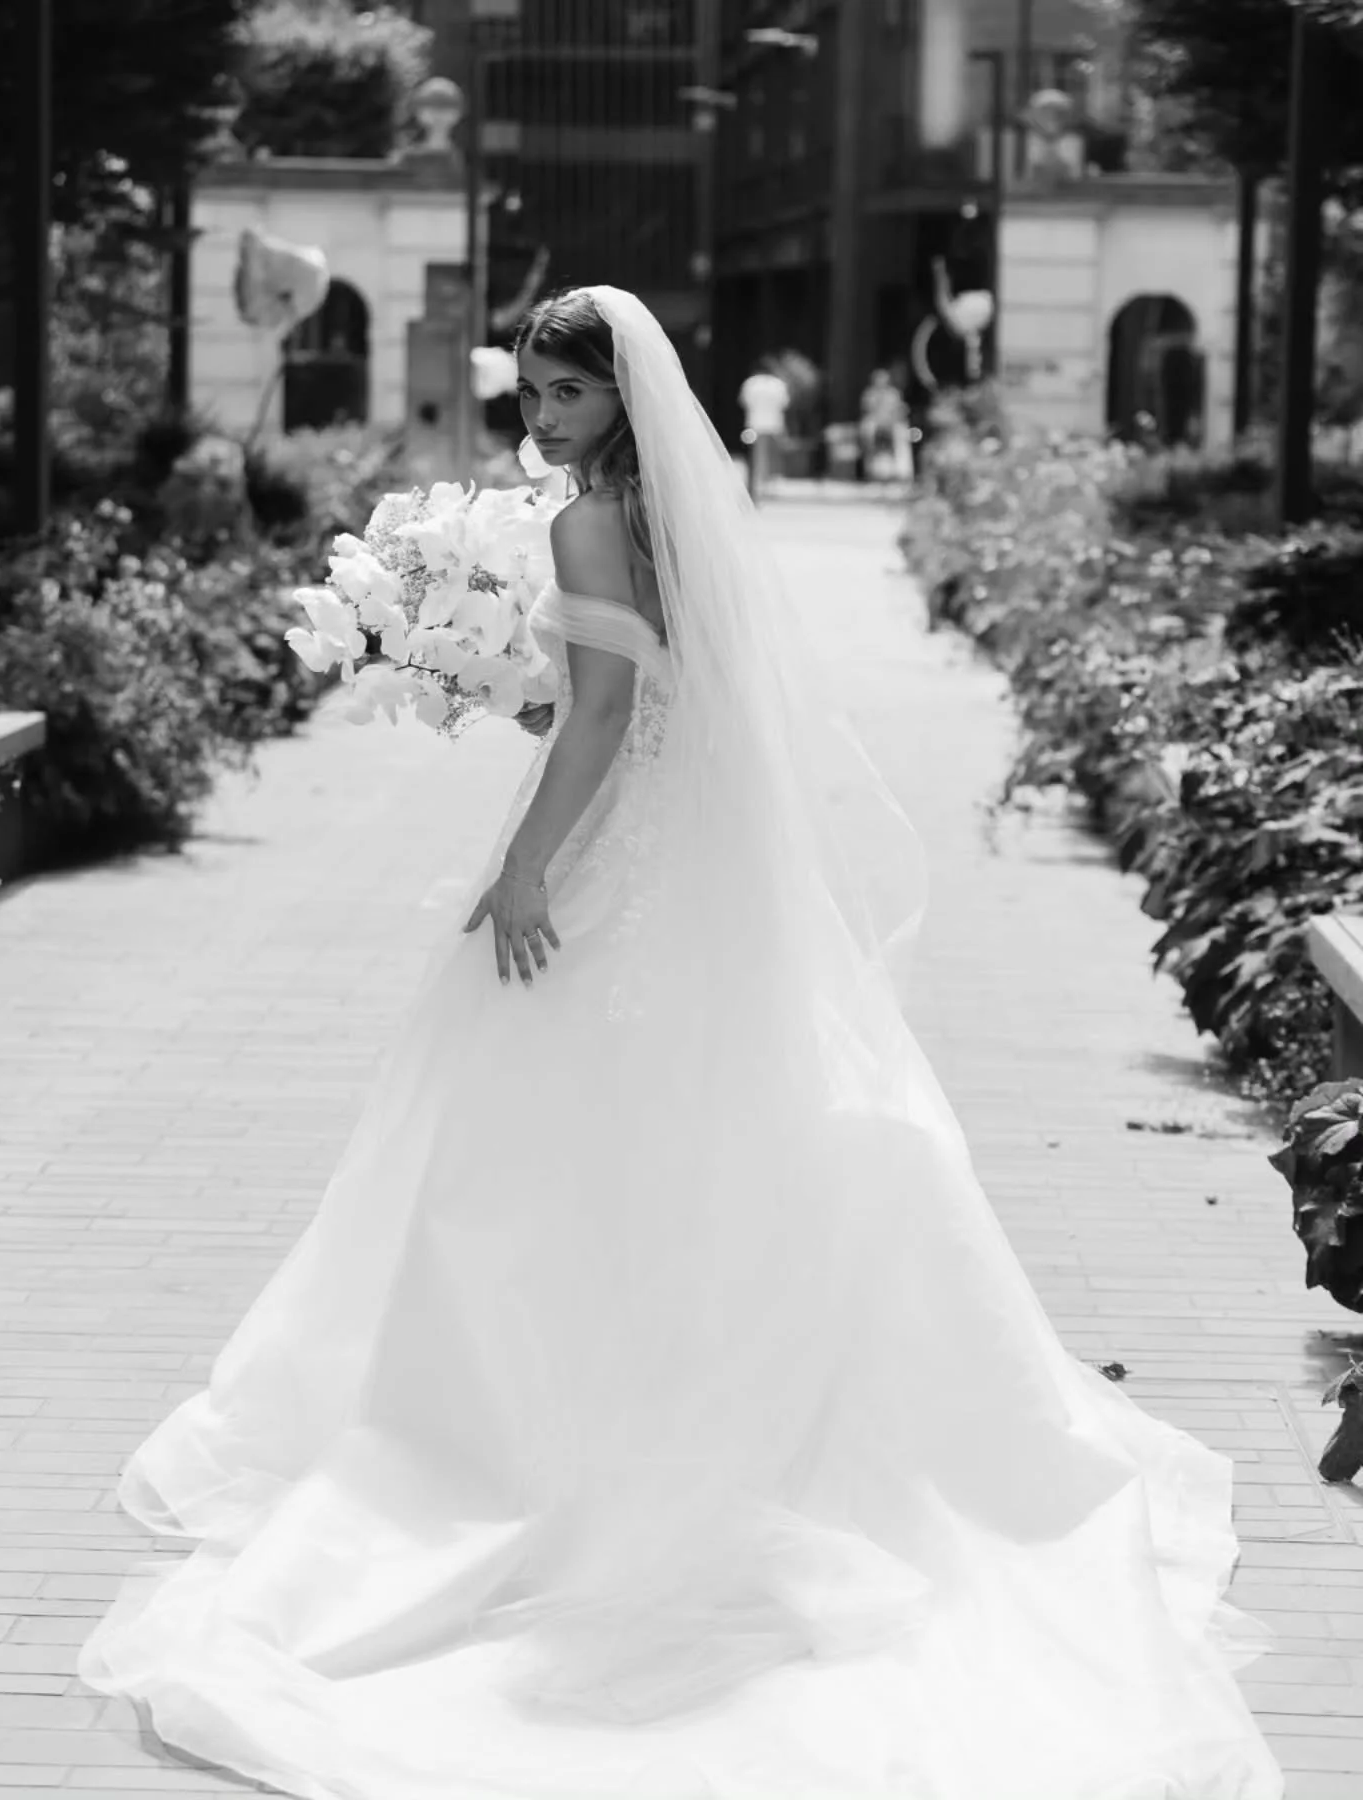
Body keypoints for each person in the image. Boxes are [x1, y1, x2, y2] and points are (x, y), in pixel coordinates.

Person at [79, 287, 1285, 1800]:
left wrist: (524, 865)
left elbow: (593, 724)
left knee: (522, 1152)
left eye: (563, 395)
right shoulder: (663, 513)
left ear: (620, 395)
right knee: (691, 1137)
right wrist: (508, 676)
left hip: (614, 861)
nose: (540, 420)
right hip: (696, 856)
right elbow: (652, 694)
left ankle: (517, 1454)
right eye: (527, 396)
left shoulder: (589, 524)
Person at [737, 357, 790, 498]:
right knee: (773, 457)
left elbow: (743, 401)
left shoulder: (751, 383)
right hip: (774, 424)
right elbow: (784, 404)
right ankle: (769, 487)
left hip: (754, 424)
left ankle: (756, 487)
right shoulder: (778, 384)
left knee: (756, 457)